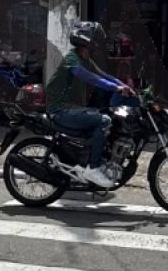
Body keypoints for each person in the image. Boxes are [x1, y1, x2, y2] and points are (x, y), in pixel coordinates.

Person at [45, 21, 132, 189]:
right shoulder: (72, 58)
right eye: (95, 40)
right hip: (60, 110)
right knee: (103, 121)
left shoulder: (86, 59)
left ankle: (94, 158)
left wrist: (125, 86)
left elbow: (103, 75)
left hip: (71, 108)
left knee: (109, 117)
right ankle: (93, 167)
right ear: (86, 41)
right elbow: (90, 78)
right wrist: (116, 88)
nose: (98, 44)